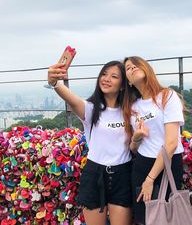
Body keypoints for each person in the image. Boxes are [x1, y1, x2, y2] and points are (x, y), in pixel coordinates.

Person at [47, 60, 132, 225]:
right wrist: (55, 81)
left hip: (123, 175)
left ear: (122, 86)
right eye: (104, 74)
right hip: (95, 174)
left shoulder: (130, 111)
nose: (106, 79)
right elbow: (70, 97)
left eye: (114, 76)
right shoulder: (91, 108)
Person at [123, 56, 185, 225]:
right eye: (128, 68)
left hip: (167, 165)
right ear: (127, 81)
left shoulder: (167, 96)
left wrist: (149, 180)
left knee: (168, 217)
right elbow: (134, 149)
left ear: (147, 68)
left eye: (136, 64)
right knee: (144, 219)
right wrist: (135, 140)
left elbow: (171, 144)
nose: (132, 68)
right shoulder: (133, 108)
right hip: (142, 165)